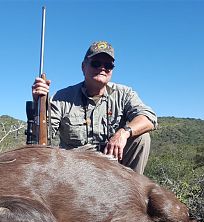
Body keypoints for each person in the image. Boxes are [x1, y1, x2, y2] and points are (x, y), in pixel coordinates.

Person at [31, 41, 157, 174]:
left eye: (108, 65)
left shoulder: (124, 94)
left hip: (113, 162)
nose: (102, 68)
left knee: (142, 138)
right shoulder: (61, 97)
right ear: (83, 67)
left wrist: (123, 133)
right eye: (96, 63)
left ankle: (133, 191)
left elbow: (149, 118)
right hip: (75, 167)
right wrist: (38, 103)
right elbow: (43, 136)